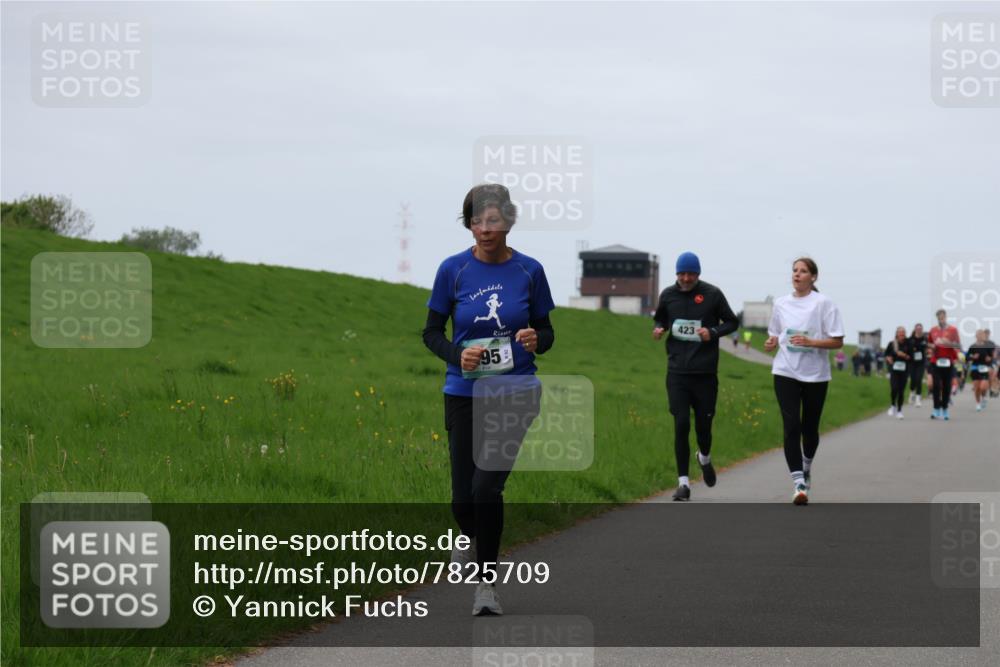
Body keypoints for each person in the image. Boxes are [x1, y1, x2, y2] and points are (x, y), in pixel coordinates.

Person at [422, 183, 555, 616]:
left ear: (509, 221)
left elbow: (547, 333)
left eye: (492, 220)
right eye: (476, 221)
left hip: (515, 390)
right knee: (463, 500)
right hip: (464, 392)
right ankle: (469, 535)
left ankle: (486, 586)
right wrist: (457, 354)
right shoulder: (452, 270)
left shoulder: (529, 271)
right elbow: (430, 333)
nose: (484, 228)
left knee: (486, 488)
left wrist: (538, 339)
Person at [652, 251, 739, 501]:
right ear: (676, 274)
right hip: (677, 372)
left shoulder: (712, 294)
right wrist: (659, 329)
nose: (686, 278)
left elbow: (732, 322)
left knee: (703, 427)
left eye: (691, 273)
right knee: (681, 424)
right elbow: (661, 319)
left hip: (705, 373)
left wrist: (712, 332)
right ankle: (683, 484)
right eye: (682, 273)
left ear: (698, 274)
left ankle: (705, 457)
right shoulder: (668, 295)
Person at [764, 257, 844, 505]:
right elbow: (775, 333)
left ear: (813, 277)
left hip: (815, 374)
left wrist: (812, 342)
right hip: (785, 370)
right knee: (791, 426)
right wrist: (772, 342)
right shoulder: (781, 304)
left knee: (810, 429)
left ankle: (807, 466)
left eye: (803, 271)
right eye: (794, 271)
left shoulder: (823, 304)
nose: (797, 275)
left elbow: (837, 341)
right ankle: (799, 483)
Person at [928, 308, 961, 420]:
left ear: (946, 317)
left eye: (942, 317)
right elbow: (929, 344)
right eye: (939, 318)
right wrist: (932, 346)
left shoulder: (953, 330)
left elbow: (958, 346)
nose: (941, 319)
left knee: (947, 387)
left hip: (948, 361)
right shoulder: (933, 330)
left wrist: (948, 343)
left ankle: (945, 408)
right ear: (937, 318)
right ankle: (936, 408)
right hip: (936, 361)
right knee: (936, 386)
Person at [884, 327, 912, 419]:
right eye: (900, 333)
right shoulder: (892, 344)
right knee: (894, 388)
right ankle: (893, 405)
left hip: (904, 370)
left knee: (901, 390)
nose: (902, 335)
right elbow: (886, 354)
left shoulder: (909, 343)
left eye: (903, 333)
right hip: (894, 370)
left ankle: (899, 411)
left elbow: (912, 357)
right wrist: (888, 358)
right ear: (897, 334)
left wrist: (904, 355)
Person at [967, 329, 996, 412]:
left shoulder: (988, 346)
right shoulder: (972, 346)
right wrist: (972, 357)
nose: (980, 336)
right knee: (977, 388)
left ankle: (983, 397)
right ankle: (978, 403)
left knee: (983, 387)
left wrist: (989, 359)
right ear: (976, 336)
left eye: (982, 334)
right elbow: (967, 357)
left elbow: (991, 357)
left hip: (985, 368)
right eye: (979, 334)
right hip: (975, 368)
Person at [907, 323, 928, 407]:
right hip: (912, 362)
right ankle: (912, 392)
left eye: (920, 329)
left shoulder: (925, 339)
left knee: (919, 379)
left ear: (922, 330)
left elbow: (928, 347)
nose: (919, 330)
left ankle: (918, 399)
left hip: (921, 362)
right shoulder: (910, 339)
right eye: (917, 328)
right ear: (915, 329)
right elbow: (907, 349)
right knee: (913, 379)